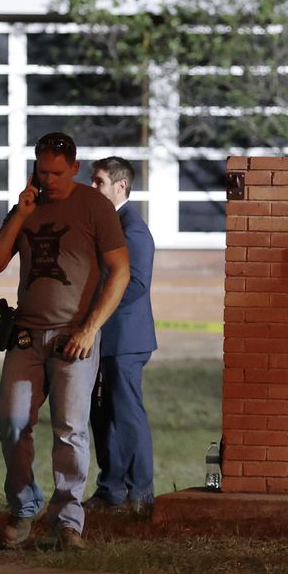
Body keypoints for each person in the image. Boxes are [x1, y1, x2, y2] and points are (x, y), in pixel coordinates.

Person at [0, 132, 129, 549]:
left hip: (73, 337)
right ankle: (23, 507)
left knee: (70, 430)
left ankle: (68, 521)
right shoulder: (27, 206)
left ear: (75, 168)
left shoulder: (95, 206)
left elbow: (120, 271)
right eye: (42, 172)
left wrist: (90, 328)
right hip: (26, 337)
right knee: (12, 422)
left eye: (57, 173)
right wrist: (19, 215)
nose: (49, 180)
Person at [83, 157, 157, 518]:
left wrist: (95, 309)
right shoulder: (105, 224)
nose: (92, 187)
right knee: (102, 414)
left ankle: (140, 495)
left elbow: (135, 284)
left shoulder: (133, 230)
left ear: (120, 186)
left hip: (125, 339)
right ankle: (110, 490)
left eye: (99, 182)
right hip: (102, 336)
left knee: (127, 415)